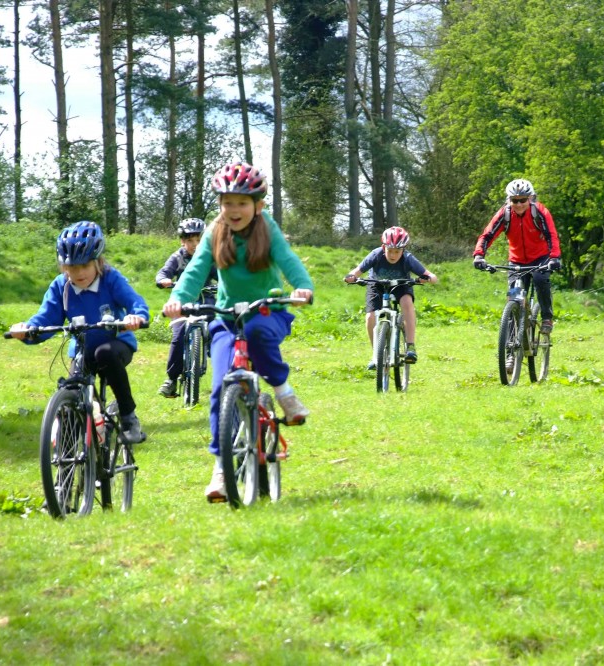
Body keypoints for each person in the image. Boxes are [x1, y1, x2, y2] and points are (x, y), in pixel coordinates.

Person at [162, 161, 314, 501]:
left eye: (242, 203)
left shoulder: (268, 229)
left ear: (258, 205)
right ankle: (221, 467)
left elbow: (289, 260)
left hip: (267, 310)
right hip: (227, 317)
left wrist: (302, 287)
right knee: (219, 388)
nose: (233, 209)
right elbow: (196, 270)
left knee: (259, 333)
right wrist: (178, 299)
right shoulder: (215, 231)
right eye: (227, 202)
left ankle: (285, 393)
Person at [9, 221, 150, 443]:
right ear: (63, 267)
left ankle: (128, 418)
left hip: (115, 344)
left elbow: (135, 302)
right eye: (72, 268)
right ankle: (68, 454)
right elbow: (46, 317)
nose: (79, 273)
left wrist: (136, 317)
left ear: (98, 262)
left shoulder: (111, 279)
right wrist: (27, 330)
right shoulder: (60, 286)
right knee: (72, 387)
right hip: (83, 349)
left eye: (85, 266)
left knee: (105, 354)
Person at [472, 178, 562, 333]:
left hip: (540, 258)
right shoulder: (504, 214)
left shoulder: (539, 212)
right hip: (517, 261)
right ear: (509, 200)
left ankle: (547, 318)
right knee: (514, 297)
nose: (519, 204)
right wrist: (479, 255)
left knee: (541, 280)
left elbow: (551, 235)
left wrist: (554, 258)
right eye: (515, 200)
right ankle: (511, 348)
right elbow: (487, 236)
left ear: (531, 198)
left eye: (523, 200)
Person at [343, 226, 438, 368]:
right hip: (377, 285)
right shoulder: (375, 255)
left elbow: (430, 275)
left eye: (397, 251)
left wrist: (429, 278)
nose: (393, 255)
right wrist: (351, 277)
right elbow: (356, 271)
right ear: (383, 247)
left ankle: (410, 347)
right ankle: (376, 355)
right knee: (370, 317)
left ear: (403, 250)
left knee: (407, 303)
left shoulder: (408, 259)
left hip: (401, 285)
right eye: (390, 251)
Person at [154, 218, 219, 399]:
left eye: (199, 240)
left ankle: (226, 373)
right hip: (182, 305)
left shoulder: (208, 257)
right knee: (179, 334)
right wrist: (163, 280)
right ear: (183, 241)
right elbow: (164, 272)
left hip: (206, 300)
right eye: (190, 241)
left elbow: (220, 274)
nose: (195, 245)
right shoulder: (178, 257)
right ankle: (172, 379)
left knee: (218, 330)